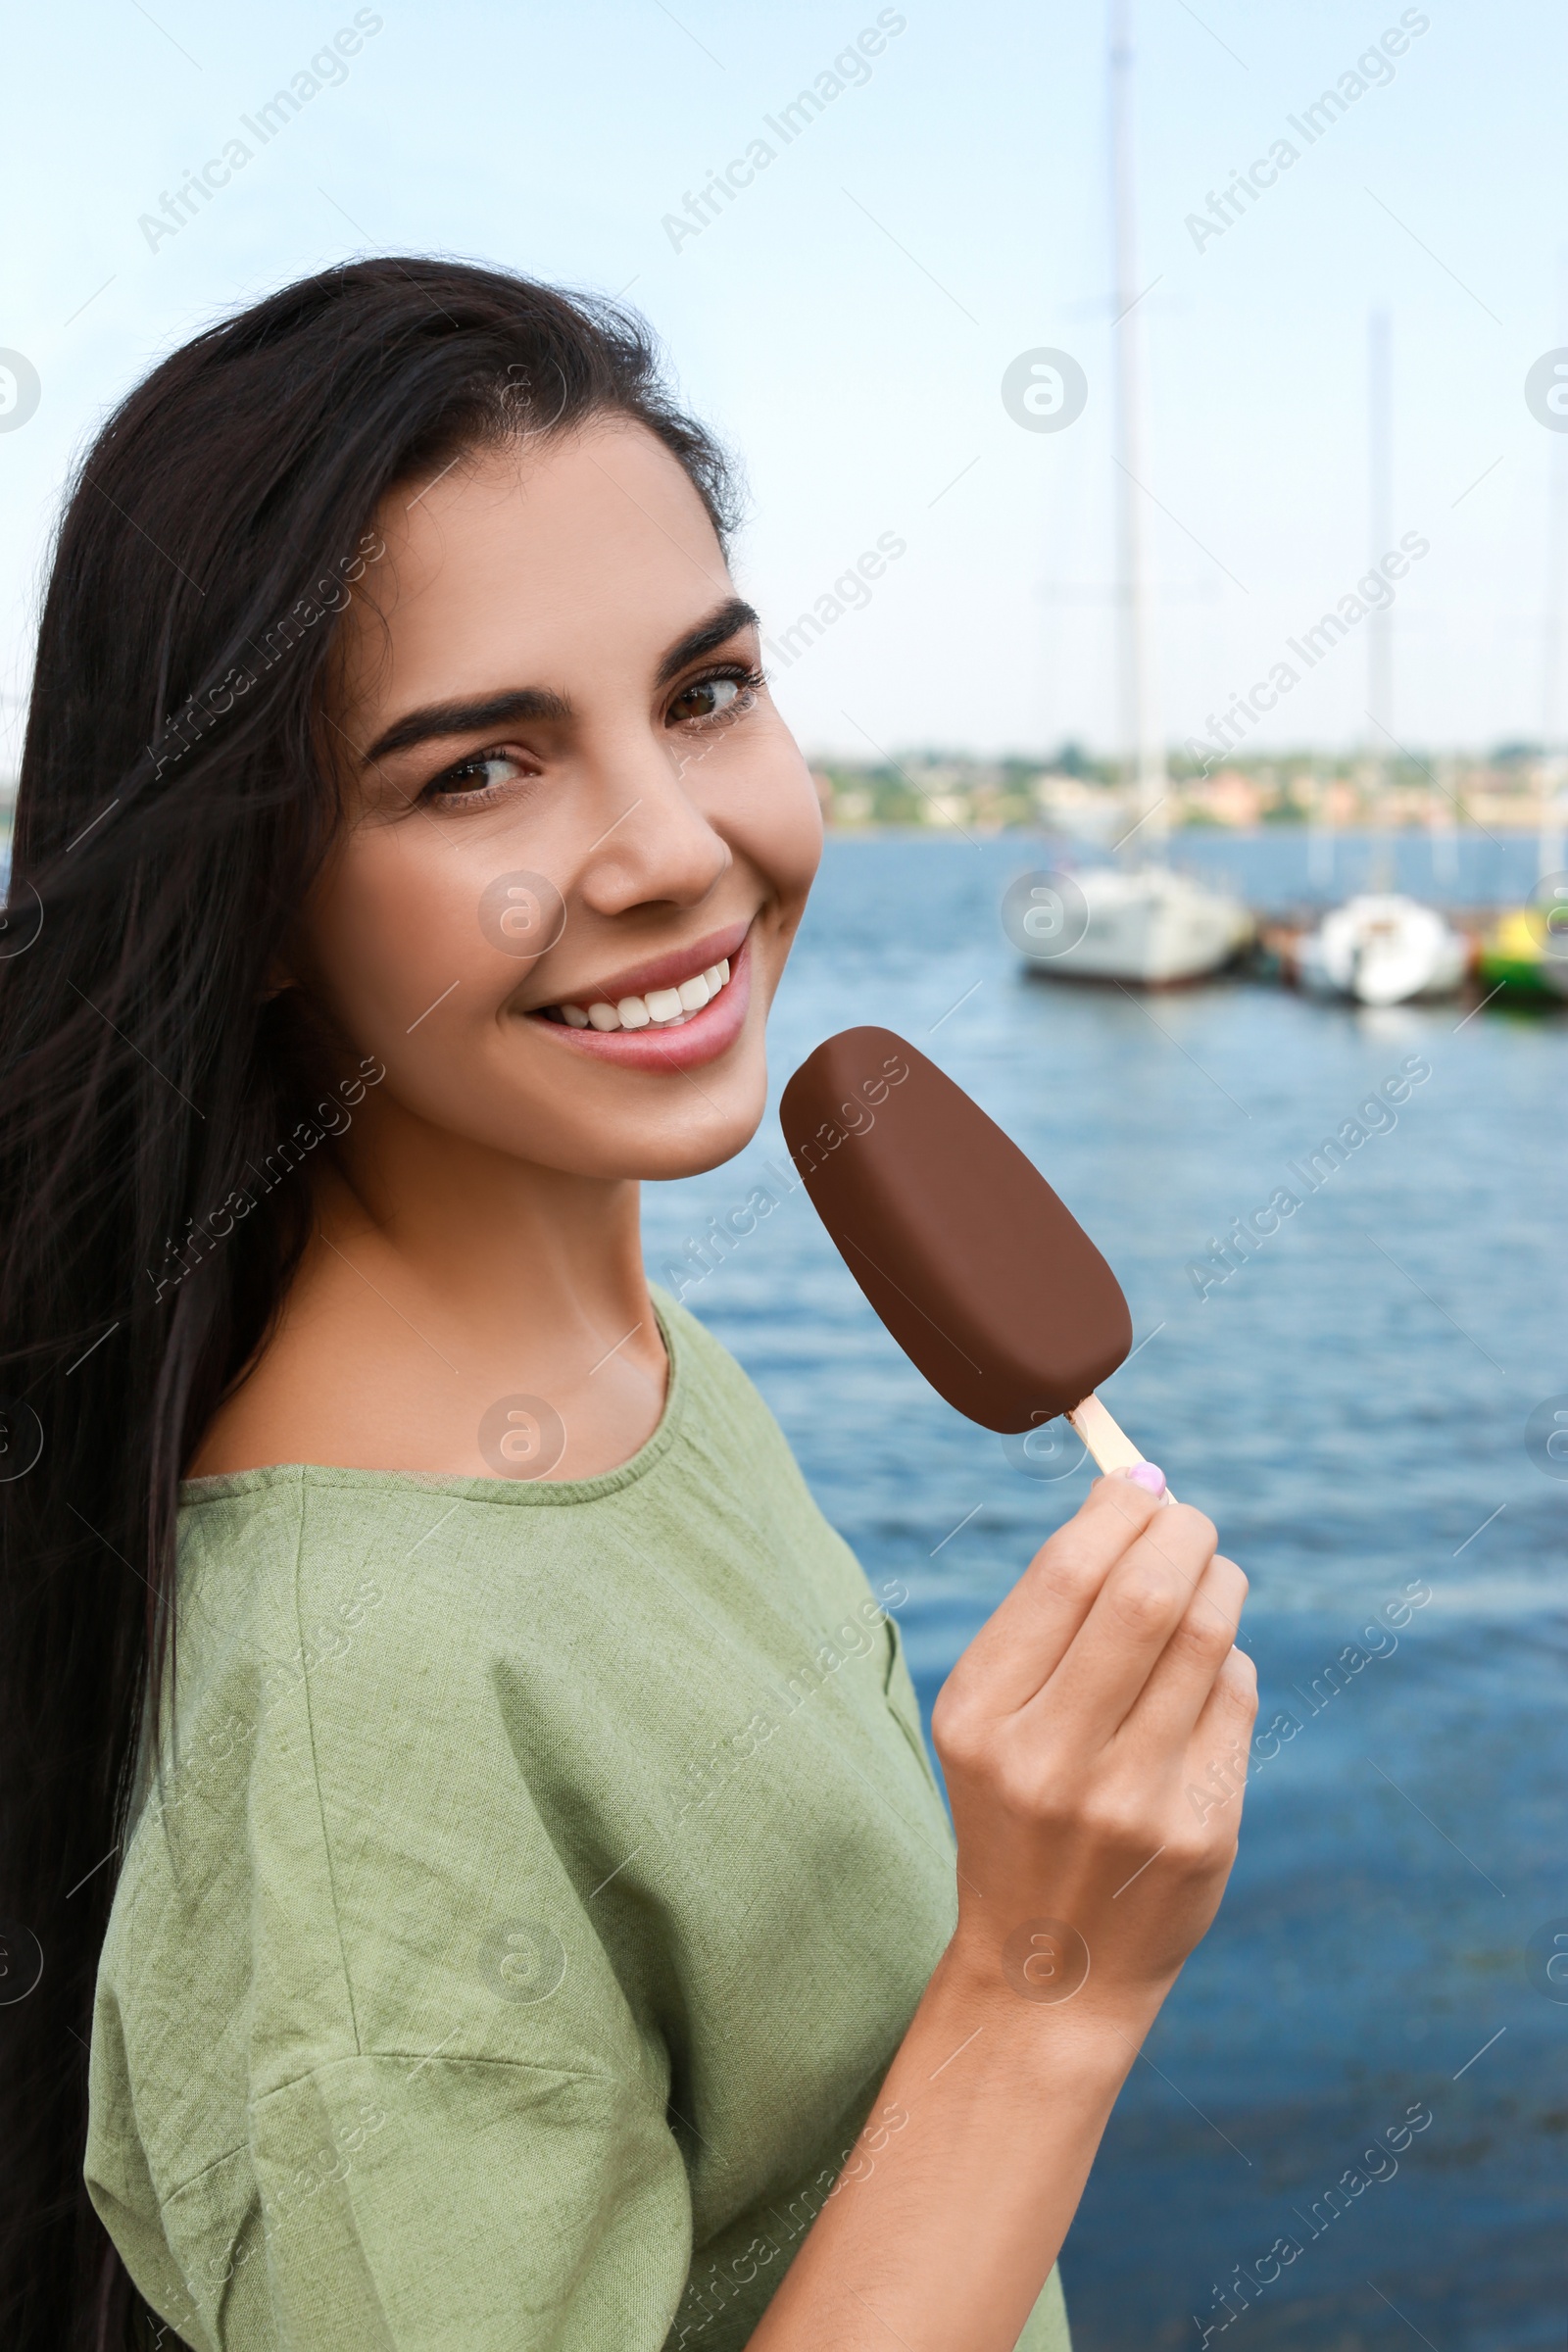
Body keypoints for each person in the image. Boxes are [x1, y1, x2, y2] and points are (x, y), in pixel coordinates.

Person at [0, 259, 1256, 2352]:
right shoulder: (349, 1733)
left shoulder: (641, 1378)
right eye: (475, 771)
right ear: (247, 898)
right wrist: (1044, 1990)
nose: (674, 846)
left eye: (700, 693)